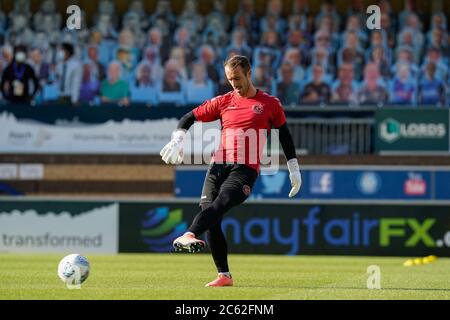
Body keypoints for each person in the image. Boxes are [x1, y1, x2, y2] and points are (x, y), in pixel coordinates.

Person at [159, 55, 302, 287]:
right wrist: (177, 140)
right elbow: (188, 117)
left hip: (245, 169)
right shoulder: (224, 101)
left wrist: (293, 167)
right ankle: (224, 276)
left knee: (221, 204)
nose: (233, 83)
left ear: (248, 73)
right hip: (218, 165)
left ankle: (189, 234)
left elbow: (284, 135)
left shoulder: (269, 104)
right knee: (210, 213)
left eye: (237, 78)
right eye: (229, 79)